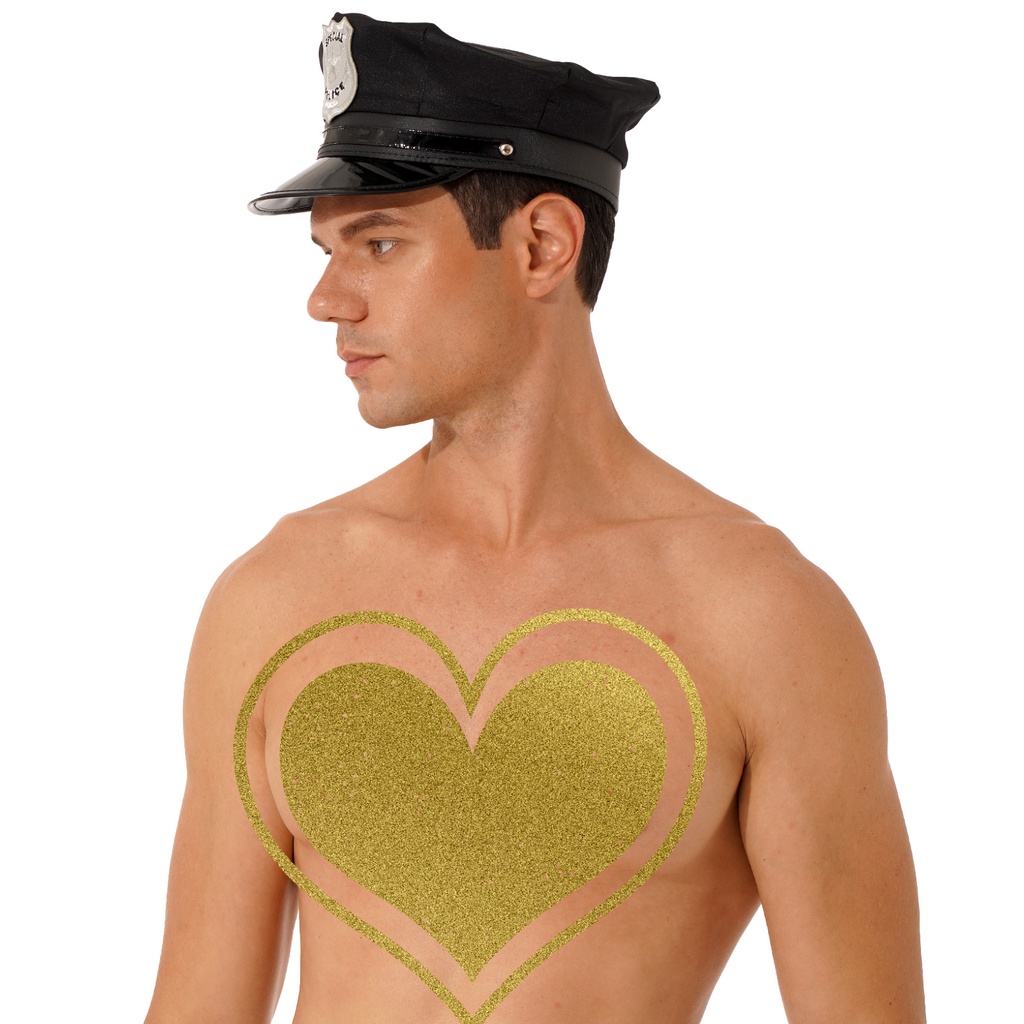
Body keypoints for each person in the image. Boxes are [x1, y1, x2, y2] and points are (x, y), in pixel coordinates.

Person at [146, 12, 924, 1024]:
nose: (327, 300)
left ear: (543, 245)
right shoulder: (276, 596)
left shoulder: (760, 616)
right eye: (328, 251)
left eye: (378, 243)